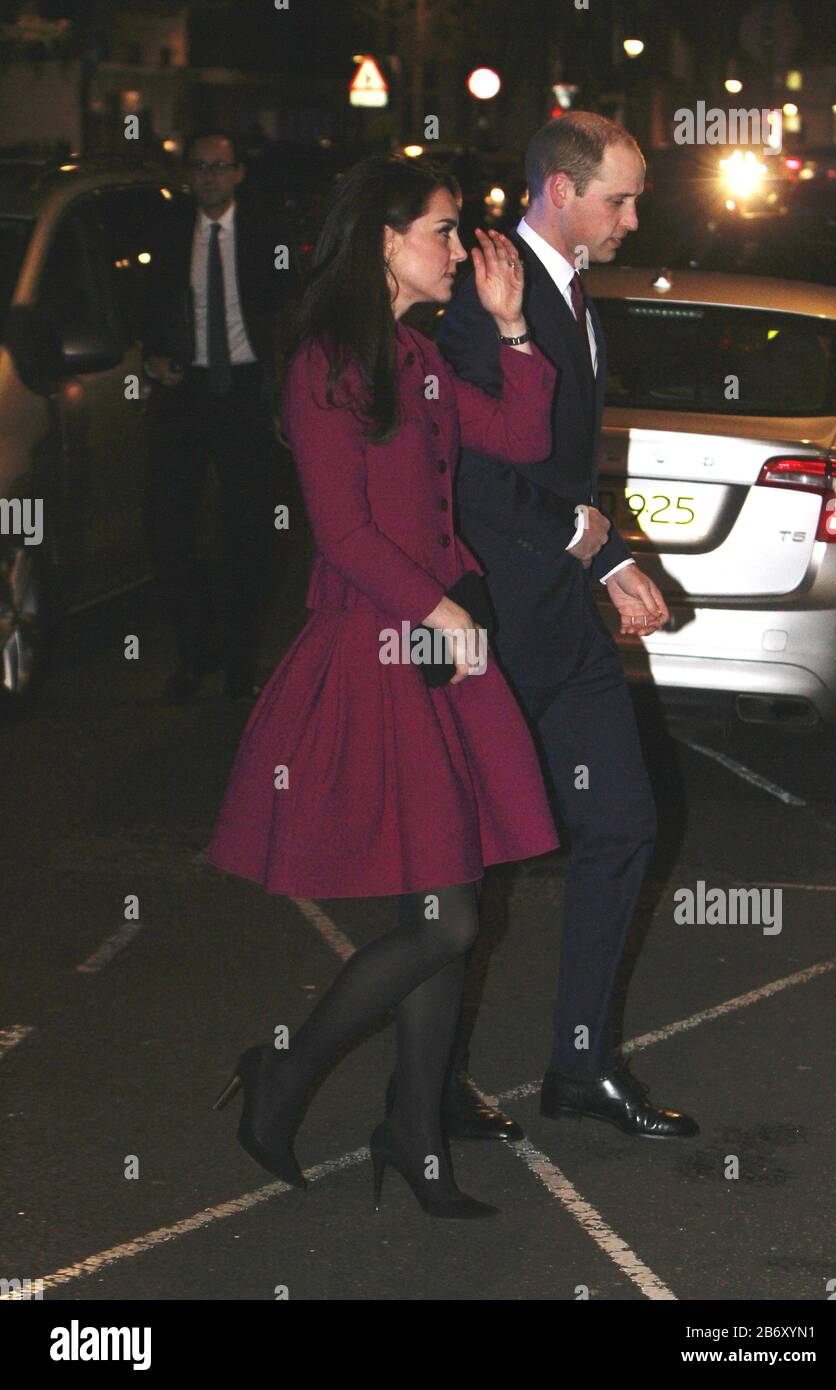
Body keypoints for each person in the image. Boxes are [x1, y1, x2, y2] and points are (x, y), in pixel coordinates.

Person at [206, 154, 562, 1217]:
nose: (459, 250)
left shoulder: (419, 354)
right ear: (382, 241)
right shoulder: (327, 363)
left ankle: (415, 1136)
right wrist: (444, 614)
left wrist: (509, 329)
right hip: (384, 644)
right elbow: (344, 530)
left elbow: (522, 439)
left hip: (439, 646)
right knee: (446, 921)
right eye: (444, 231)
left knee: (450, 898)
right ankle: (285, 1069)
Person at [436, 112, 699, 1141]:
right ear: (558, 191)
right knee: (472, 862)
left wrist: (611, 557)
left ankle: (577, 1067)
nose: (633, 217)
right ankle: (428, 1082)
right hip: (495, 619)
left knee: (623, 822)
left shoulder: (570, 290)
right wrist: (599, 551)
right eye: (618, 198)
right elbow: (485, 487)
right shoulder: (482, 299)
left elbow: (559, 476)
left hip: (562, 619)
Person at [142, 127, 302, 704]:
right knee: (174, 529)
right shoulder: (167, 231)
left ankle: (240, 660)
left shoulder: (265, 232)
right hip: (186, 391)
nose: (209, 176)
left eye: (219, 166)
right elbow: (144, 297)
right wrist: (155, 353)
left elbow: (291, 307)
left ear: (237, 172)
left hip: (245, 393)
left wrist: (284, 385)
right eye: (199, 166)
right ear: (188, 173)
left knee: (247, 532)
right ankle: (192, 655)